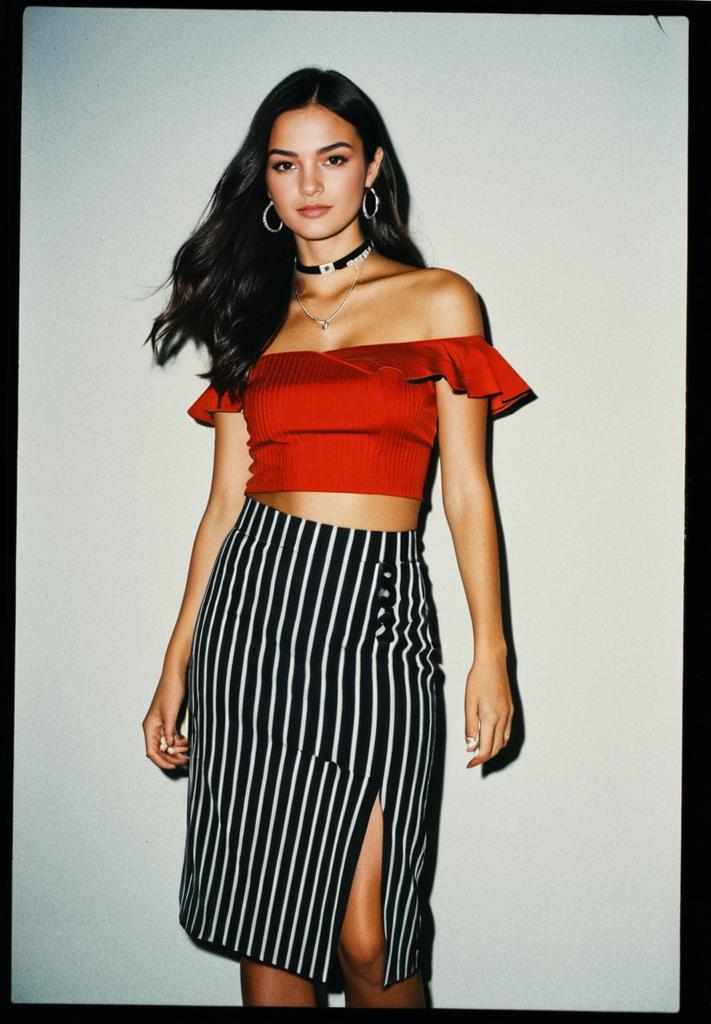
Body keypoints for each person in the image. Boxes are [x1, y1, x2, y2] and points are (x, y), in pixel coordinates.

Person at [141, 66, 536, 1009]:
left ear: (373, 169)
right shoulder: (249, 317)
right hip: (256, 609)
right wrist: (175, 663)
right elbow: (223, 506)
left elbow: (470, 491)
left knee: (372, 937)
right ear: (266, 184)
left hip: (378, 610)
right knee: (269, 918)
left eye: (333, 159)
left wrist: (493, 651)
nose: (310, 184)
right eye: (285, 165)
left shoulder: (441, 300)